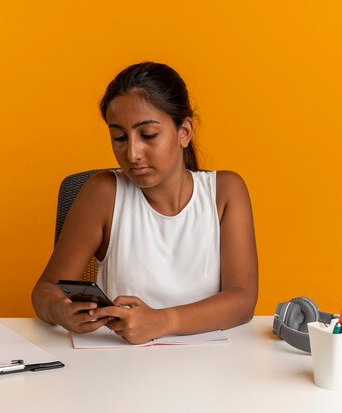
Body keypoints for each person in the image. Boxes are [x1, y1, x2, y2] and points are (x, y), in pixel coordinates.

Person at [31, 62, 258, 344]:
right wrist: (60, 310)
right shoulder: (103, 193)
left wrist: (162, 321)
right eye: (119, 137)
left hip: (209, 367)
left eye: (148, 135)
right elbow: (45, 290)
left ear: (184, 132)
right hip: (122, 364)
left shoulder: (225, 191)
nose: (133, 153)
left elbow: (242, 300)